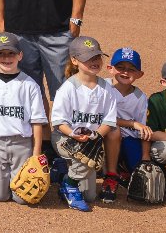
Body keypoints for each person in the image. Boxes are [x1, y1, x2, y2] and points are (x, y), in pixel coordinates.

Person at [0, 32, 48, 204]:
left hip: (22, 144)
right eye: (0, 54)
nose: (6, 58)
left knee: (22, 198)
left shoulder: (30, 85)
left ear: (20, 55)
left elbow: (37, 123)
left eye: (11, 53)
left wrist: (36, 155)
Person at [51, 36, 119, 212]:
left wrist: (96, 136)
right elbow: (58, 123)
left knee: (89, 195)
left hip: (91, 139)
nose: (94, 61)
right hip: (65, 137)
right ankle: (68, 184)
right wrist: (74, 135)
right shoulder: (67, 88)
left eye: (97, 57)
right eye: (88, 58)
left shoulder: (107, 88)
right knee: (82, 161)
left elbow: (109, 121)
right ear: (74, 60)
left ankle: (62, 172)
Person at [104, 47, 146, 202]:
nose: (125, 72)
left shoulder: (141, 97)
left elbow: (143, 127)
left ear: (139, 74)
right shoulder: (102, 87)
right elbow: (101, 118)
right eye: (120, 67)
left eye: (131, 69)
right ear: (110, 69)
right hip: (105, 136)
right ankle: (111, 174)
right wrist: (132, 123)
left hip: (129, 140)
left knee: (138, 166)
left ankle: (123, 169)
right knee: (113, 132)